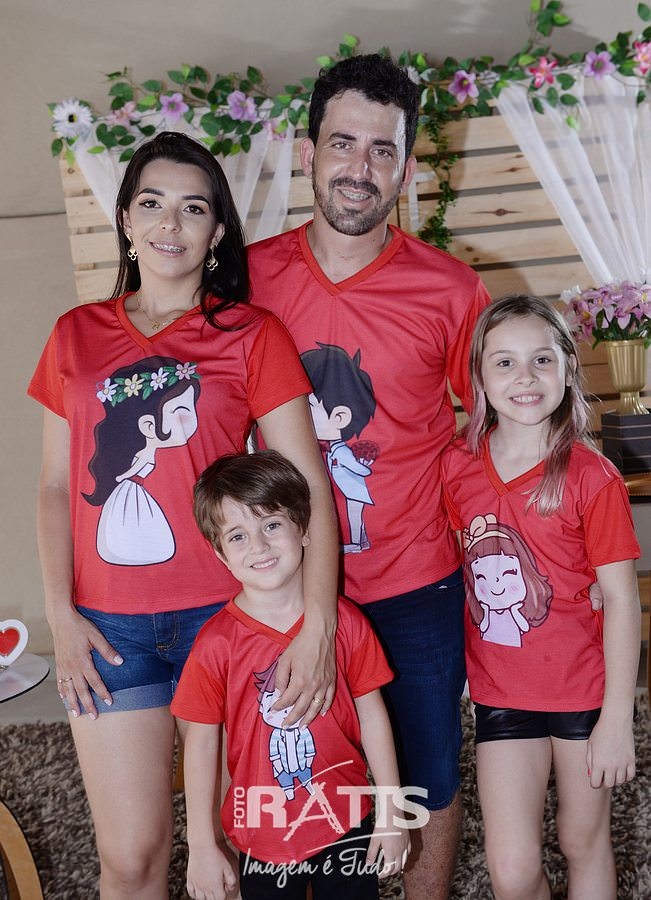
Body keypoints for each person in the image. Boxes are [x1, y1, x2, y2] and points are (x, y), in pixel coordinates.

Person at [29, 132, 338, 898]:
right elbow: (55, 488)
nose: (170, 223)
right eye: (152, 203)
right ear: (126, 221)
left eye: (193, 208)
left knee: (238, 850)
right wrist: (61, 616)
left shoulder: (252, 334)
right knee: (132, 855)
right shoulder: (75, 334)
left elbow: (309, 488)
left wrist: (316, 624)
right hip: (109, 629)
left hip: (230, 620)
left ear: (217, 230)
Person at [247, 53, 491, 897]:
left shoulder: (450, 290)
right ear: (307, 153)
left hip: (413, 584)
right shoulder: (247, 280)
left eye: (381, 150)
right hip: (279, 586)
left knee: (425, 777)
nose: (360, 167)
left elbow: (493, 432)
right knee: (295, 773)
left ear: (406, 168)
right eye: (342, 144)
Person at [440, 294, 640, 900]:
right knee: (511, 868)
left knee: (583, 841)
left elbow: (621, 600)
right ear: (478, 376)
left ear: (567, 369)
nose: (524, 378)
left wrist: (617, 719)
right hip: (502, 693)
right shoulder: (456, 467)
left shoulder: (592, 476)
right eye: (504, 362)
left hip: (583, 693)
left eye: (542, 360)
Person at [171, 450, 413, 900]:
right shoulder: (215, 643)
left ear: (303, 529)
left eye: (272, 525)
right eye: (238, 535)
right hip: (261, 830)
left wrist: (392, 813)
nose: (259, 546)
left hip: (345, 818)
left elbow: (373, 717)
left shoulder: (343, 623)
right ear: (220, 553)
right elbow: (201, 744)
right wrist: (201, 844)